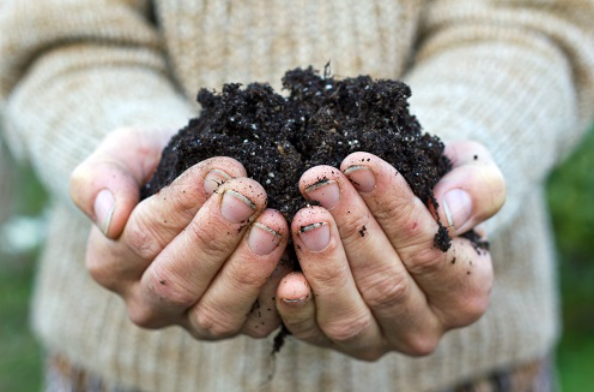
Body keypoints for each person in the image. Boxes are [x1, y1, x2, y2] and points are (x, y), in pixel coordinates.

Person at [1, 1, 593, 391]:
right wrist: (138, 176)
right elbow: (56, 33)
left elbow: (533, 18)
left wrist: (447, 176)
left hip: (475, 372)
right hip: (120, 370)